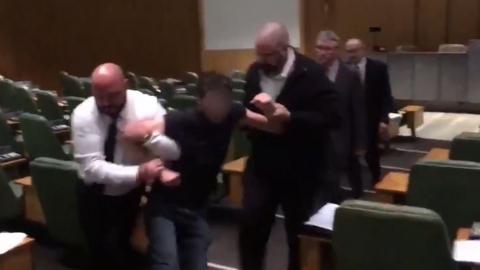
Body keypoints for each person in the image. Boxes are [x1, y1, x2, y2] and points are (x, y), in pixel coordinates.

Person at [121, 72, 285, 270]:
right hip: (165, 205)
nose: (219, 107)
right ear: (200, 101)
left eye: (223, 100)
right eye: (213, 100)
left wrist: (270, 108)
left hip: (197, 206)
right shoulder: (181, 121)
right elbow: (131, 132)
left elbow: (275, 128)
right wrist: (159, 170)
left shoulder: (234, 113)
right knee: (167, 264)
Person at [239, 22, 340, 270]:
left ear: (284, 49)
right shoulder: (254, 71)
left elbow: (332, 117)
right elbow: (248, 109)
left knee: (297, 233)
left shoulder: (311, 72)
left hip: (301, 169)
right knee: (251, 226)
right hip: (262, 165)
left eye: (268, 54)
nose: (261, 59)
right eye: (258, 53)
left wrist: (291, 117)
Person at [72, 63, 180, 270]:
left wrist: (147, 137)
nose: (105, 103)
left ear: (125, 85)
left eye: (112, 95)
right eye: (99, 95)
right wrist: (139, 172)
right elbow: (93, 167)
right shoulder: (84, 113)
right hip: (92, 192)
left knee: (120, 244)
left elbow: (173, 150)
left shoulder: (146, 106)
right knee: (98, 251)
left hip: (129, 192)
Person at [314, 30, 366, 199]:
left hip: (344, 137)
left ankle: (358, 203)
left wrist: (360, 143)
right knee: (326, 182)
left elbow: (358, 110)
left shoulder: (350, 74)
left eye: (328, 49)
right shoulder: (311, 72)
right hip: (318, 137)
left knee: (352, 173)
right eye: (320, 47)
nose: (323, 52)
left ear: (336, 51)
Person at [344, 38, 394, 186]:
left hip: (372, 118)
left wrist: (384, 120)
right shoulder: (343, 69)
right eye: (348, 51)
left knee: (372, 153)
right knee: (351, 156)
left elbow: (386, 95)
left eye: (354, 51)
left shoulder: (378, 68)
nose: (351, 54)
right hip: (351, 120)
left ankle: (376, 179)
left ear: (363, 49)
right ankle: (356, 187)